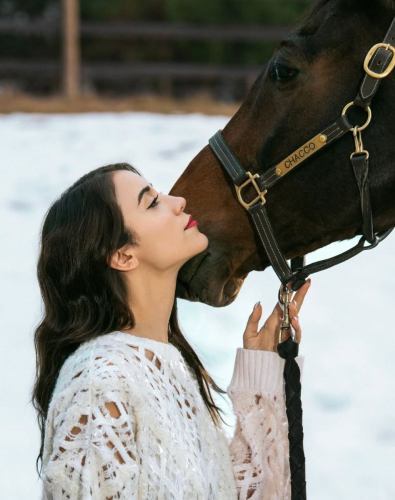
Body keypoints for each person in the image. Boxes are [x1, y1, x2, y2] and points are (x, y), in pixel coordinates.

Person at [32, 161, 310, 499]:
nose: (178, 201)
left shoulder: (170, 368)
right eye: (152, 202)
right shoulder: (99, 382)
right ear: (123, 256)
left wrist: (261, 378)